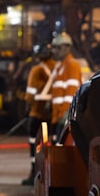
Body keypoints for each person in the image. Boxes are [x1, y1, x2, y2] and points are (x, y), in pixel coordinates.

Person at [21, 32, 84, 185]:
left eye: (57, 48)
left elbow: (71, 91)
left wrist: (66, 113)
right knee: (58, 149)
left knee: (62, 151)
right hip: (56, 116)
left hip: (62, 116)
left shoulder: (71, 65)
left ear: (67, 48)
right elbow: (59, 91)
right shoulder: (60, 66)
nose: (54, 51)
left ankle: (63, 182)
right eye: (53, 48)